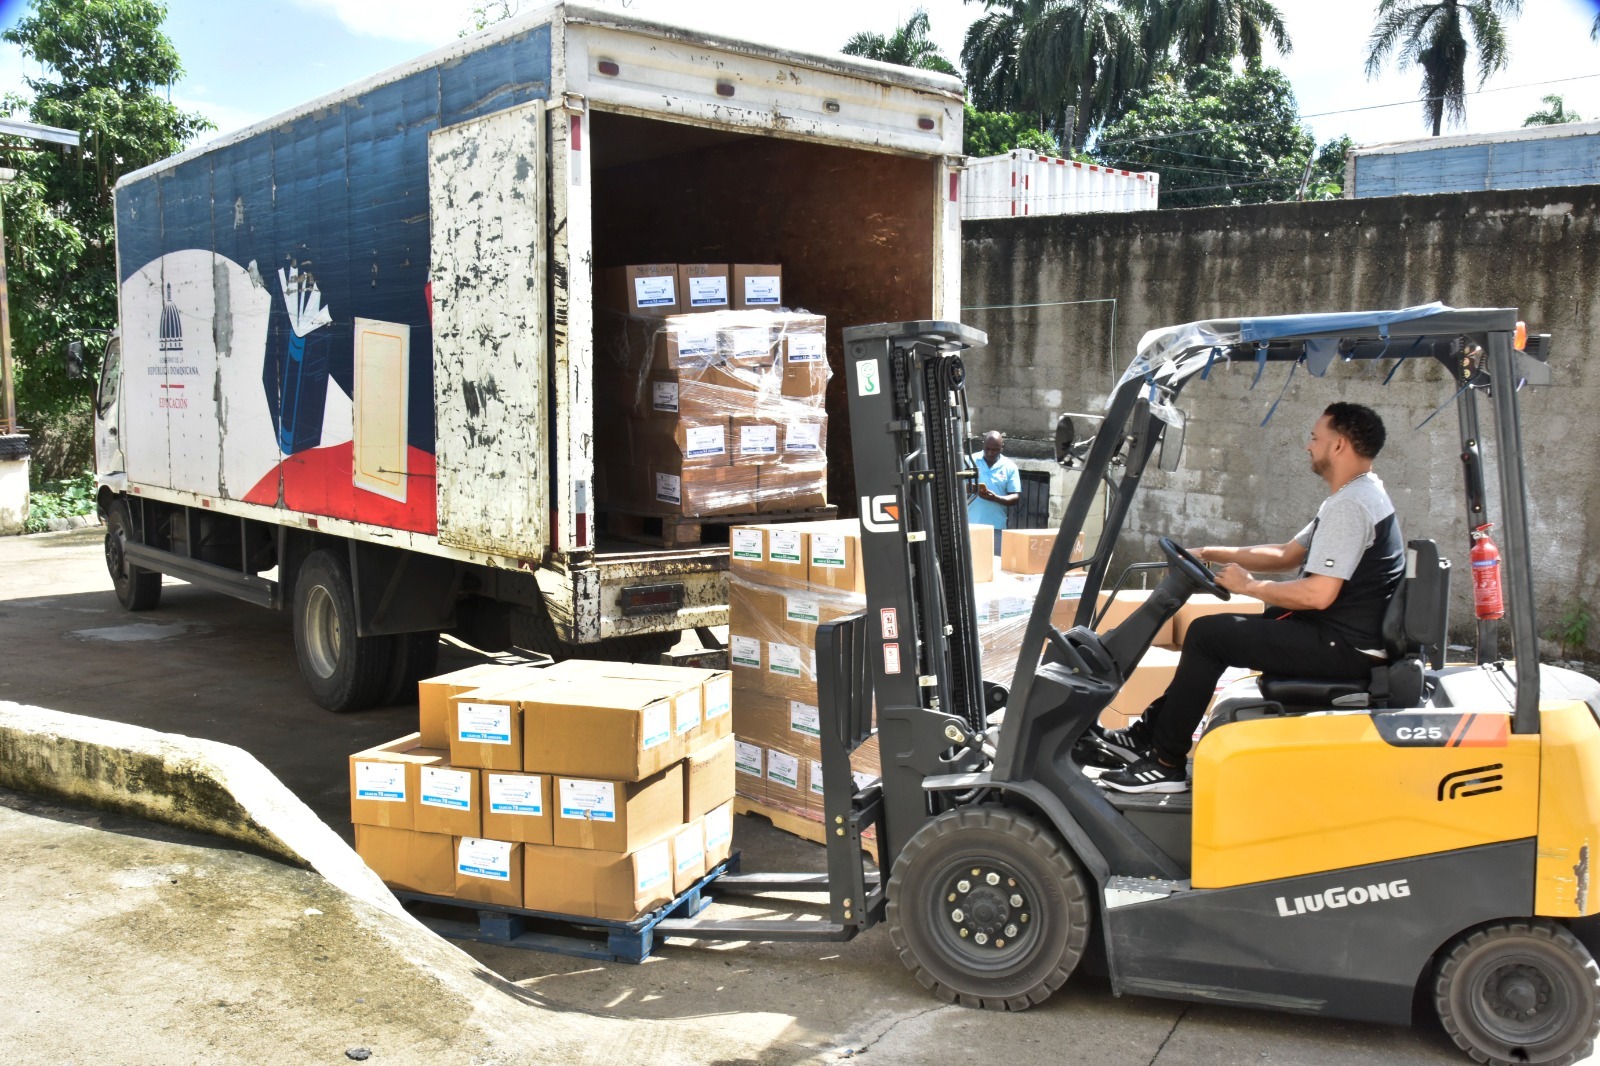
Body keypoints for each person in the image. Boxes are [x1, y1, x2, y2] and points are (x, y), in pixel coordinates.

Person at [1097, 402, 1405, 794]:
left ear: (1339, 446)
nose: (1308, 446)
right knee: (1222, 631)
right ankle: (1148, 737)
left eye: (1315, 437)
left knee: (1209, 636)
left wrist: (1249, 586)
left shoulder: (1351, 505)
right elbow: (1285, 554)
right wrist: (1210, 553)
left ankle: (1166, 763)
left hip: (1346, 647)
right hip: (1342, 635)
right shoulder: (1354, 495)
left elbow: (1318, 594)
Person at [969, 431, 1021, 555]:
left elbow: (1015, 497)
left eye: (995, 450)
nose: (990, 453)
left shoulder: (1010, 467)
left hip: (996, 527)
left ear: (1002, 448)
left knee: (994, 565)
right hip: (970, 525)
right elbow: (955, 486)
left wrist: (996, 498)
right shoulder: (970, 460)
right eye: (987, 449)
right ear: (983, 445)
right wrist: (968, 489)